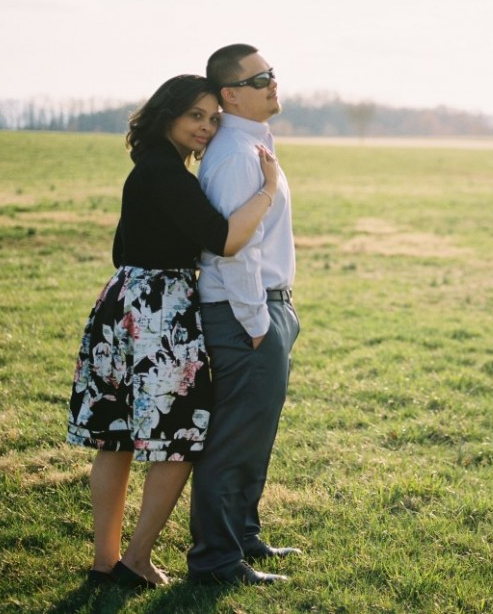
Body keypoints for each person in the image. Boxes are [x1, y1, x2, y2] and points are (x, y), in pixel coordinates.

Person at [67, 74, 279, 589]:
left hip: (123, 301)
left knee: (116, 437)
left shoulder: (149, 169)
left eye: (212, 119)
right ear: (168, 116)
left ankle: (106, 562)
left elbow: (126, 248)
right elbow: (225, 239)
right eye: (195, 117)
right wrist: (268, 190)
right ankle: (135, 559)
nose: (206, 128)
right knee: (179, 440)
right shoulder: (168, 176)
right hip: (159, 310)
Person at [187, 44, 301, 585]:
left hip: (267, 311)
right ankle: (215, 561)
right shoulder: (235, 154)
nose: (274, 83)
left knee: (255, 435)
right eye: (261, 78)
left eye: (273, 74)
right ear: (230, 94)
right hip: (244, 316)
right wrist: (258, 322)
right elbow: (232, 249)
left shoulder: (253, 143)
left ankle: (244, 537)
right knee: (234, 441)